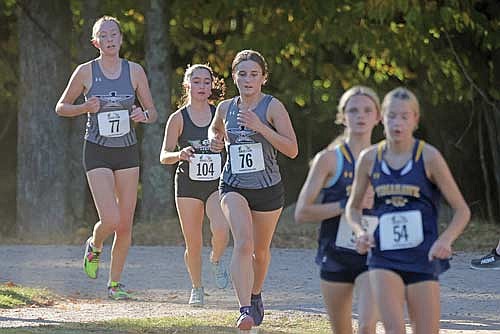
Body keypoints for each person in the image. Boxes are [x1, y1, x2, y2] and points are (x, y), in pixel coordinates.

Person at [346, 87, 470, 334]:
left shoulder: (429, 157)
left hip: (422, 256)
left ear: (415, 119)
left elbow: (462, 210)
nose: (397, 123)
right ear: (382, 118)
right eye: (392, 116)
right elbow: (353, 207)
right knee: (394, 330)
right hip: (384, 255)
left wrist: (445, 240)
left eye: (404, 116)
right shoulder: (370, 158)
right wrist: (360, 231)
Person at [55, 16, 157, 300]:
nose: (110, 39)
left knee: (125, 224)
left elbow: (153, 111)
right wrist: (84, 107)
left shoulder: (134, 71)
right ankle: (94, 244)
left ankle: (114, 284)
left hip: (126, 150)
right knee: (110, 219)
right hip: (97, 149)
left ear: (121, 39)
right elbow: (61, 107)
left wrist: (142, 115)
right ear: (95, 42)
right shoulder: (85, 72)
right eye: (103, 35)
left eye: (114, 34)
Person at [209, 50, 298, 330]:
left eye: (254, 74)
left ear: (263, 78)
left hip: (267, 189)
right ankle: (243, 309)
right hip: (233, 185)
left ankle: (255, 294)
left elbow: (292, 149)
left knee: (260, 252)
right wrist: (215, 141)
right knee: (243, 244)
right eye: (242, 73)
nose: (248, 79)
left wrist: (261, 127)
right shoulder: (225, 108)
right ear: (234, 77)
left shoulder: (272, 107)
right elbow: (214, 130)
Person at [294, 86, 380, 334]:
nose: (360, 116)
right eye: (353, 110)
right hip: (335, 255)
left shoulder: (387, 159)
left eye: (367, 110)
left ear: (378, 117)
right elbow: (302, 212)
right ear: (343, 117)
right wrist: (347, 204)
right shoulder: (329, 159)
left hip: (373, 255)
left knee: (366, 326)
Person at [159, 64, 230, 306]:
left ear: (212, 86)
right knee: (193, 242)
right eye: (196, 81)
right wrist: (180, 154)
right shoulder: (178, 118)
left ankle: (217, 258)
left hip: (215, 183)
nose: (202, 86)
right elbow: (163, 155)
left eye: (206, 82)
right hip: (188, 185)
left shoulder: (219, 113)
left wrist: (223, 146)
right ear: (187, 85)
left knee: (221, 228)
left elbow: (234, 143)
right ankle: (197, 288)